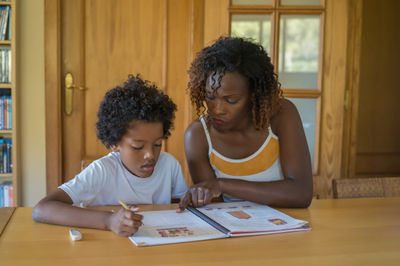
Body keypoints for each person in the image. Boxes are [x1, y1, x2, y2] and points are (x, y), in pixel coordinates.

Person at [32, 74, 188, 236]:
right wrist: (109, 220)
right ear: (114, 143)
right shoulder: (102, 171)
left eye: (157, 144)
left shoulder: (169, 165)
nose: (150, 155)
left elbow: (180, 208)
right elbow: (42, 209)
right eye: (138, 147)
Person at [179, 37, 313, 210]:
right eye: (210, 97)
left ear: (253, 94)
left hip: (287, 227)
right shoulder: (198, 135)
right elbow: (213, 208)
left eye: (231, 100)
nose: (217, 109)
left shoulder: (281, 114)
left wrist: (222, 184)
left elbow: (301, 194)